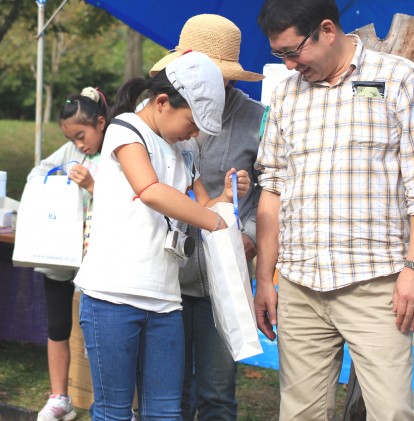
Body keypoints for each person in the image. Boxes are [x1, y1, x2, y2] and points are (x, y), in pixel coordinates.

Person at [253, 1, 414, 420]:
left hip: (375, 284)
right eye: (279, 56)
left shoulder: (399, 78)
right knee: (299, 414)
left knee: (392, 412)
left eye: (293, 51)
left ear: (327, 29)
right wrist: (265, 280)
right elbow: (271, 188)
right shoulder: (286, 94)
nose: (288, 65)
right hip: (299, 283)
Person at [73, 51, 251, 420]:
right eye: (192, 121)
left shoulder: (185, 148)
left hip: (166, 299)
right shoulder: (125, 129)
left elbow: (206, 204)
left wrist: (228, 199)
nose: (195, 133)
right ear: (162, 103)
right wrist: (211, 220)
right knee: (114, 411)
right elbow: (150, 190)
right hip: (112, 296)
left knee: (166, 411)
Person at [148, 14, 265, 421]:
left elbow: (272, 189)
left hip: (226, 273)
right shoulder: (155, 114)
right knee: (167, 389)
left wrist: (249, 236)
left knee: (217, 391)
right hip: (167, 270)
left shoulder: (257, 118)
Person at [28, 86, 110, 421]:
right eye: (72, 138)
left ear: (101, 123)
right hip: (62, 252)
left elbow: (129, 199)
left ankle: (112, 402)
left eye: (81, 135)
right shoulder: (69, 152)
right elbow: (38, 174)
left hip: (101, 256)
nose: (79, 144)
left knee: (104, 331)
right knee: (58, 325)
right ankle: (60, 397)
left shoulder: (120, 152)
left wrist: (92, 184)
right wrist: (58, 177)